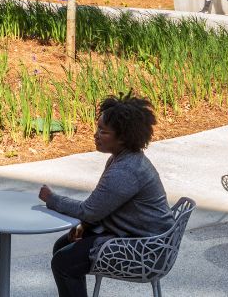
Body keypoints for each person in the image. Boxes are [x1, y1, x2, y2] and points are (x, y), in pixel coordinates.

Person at [39, 95, 175, 297]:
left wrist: (51, 199)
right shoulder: (122, 159)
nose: (95, 135)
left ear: (123, 137)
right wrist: (85, 226)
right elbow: (103, 207)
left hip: (146, 250)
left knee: (64, 263)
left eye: (103, 132)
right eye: (97, 128)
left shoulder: (126, 170)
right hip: (139, 236)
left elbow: (89, 210)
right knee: (63, 246)